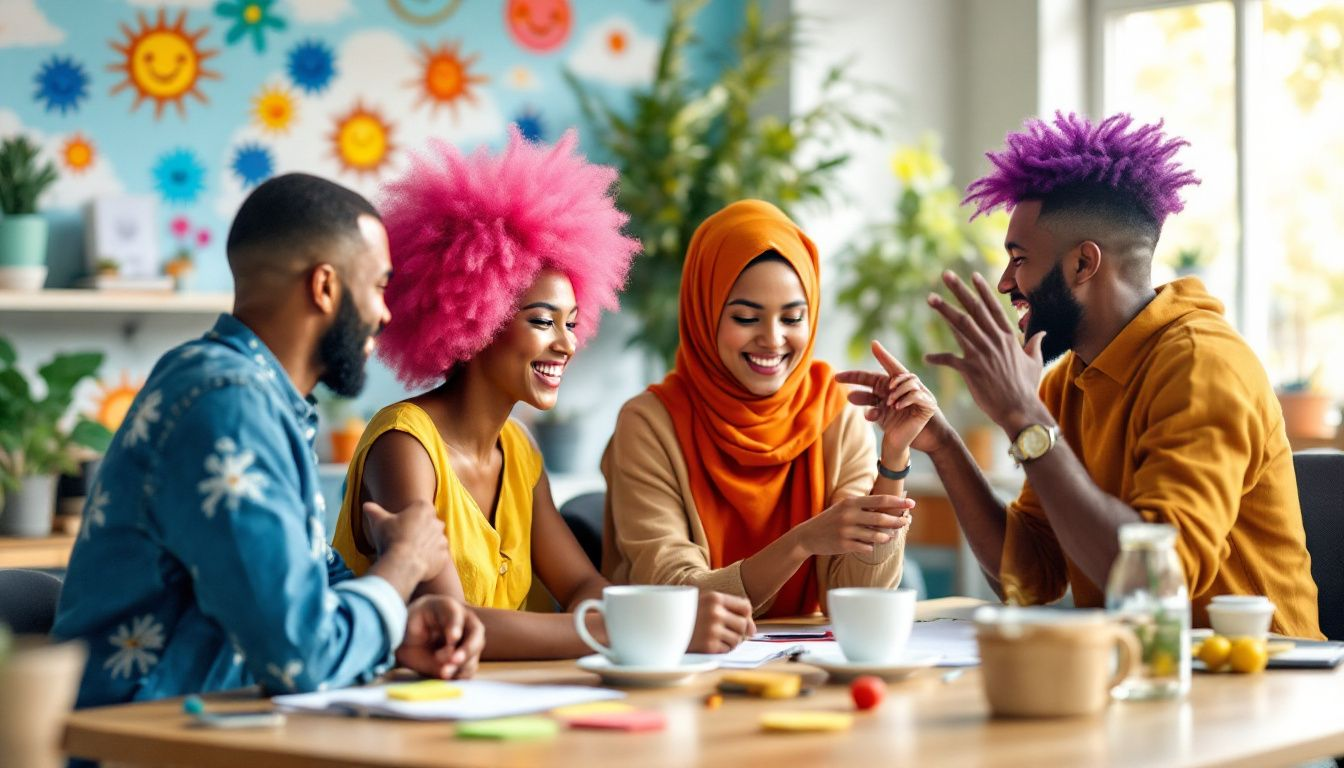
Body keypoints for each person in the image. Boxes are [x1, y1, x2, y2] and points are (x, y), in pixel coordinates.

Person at [842, 112, 1322, 637]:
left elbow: (1158, 586)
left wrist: (1025, 417)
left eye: (1018, 258)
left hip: (1265, 685)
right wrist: (944, 445)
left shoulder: (1203, 366)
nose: (1006, 283)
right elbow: (1030, 576)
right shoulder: (1066, 380)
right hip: (1145, 679)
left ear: (1082, 264)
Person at [52, 174, 484, 710]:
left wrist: (399, 630)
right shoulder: (227, 402)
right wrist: (402, 563)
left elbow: (298, 600)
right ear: (324, 287)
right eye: (378, 286)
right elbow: (301, 656)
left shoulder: (245, 393)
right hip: (142, 744)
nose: (385, 311)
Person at [330, 130, 757, 658]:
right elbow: (449, 622)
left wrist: (659, 616)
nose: (567, 343)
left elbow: (580, 586)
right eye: (542, 321)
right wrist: (636, 630)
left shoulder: (521, 450)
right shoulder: (404, 446)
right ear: (474, 318)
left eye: (572, 323)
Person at [602, 199, 936, 618]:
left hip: (803, 669)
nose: (773, 339)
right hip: (681, 667)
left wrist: (894, 459)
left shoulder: (836, 415)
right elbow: (673, 594)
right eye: (746, 318)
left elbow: (856, 601)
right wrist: (800, 543)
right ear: (704, 314)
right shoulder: (651, 424)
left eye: (793, 318)